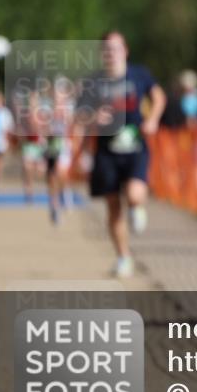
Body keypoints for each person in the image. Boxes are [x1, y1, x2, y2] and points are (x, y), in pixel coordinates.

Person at [77, 31, 166, 278]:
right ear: (101, 54)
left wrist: (153, 120)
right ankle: (123, 258)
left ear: (125, 51)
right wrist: (94, 118)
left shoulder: (139, 75)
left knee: (135, 195)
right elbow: (80, 114)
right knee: (113, 206)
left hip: (135, 145)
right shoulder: (94, 81)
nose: (111, 53)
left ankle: (137, 207)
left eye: (115, 48)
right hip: (107, 150)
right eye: (106, 49)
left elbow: (159, 97)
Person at [41, 76, 76, 225]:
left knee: (61, 173)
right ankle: (54, 206)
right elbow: (41, 126)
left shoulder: (70, 108)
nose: (57, 95)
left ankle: (65, 193)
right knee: (51, 176)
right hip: (50, 144)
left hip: (64, 144)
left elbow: (74, 125)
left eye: (60, 92)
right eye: (55, 93)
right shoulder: (45, 108)